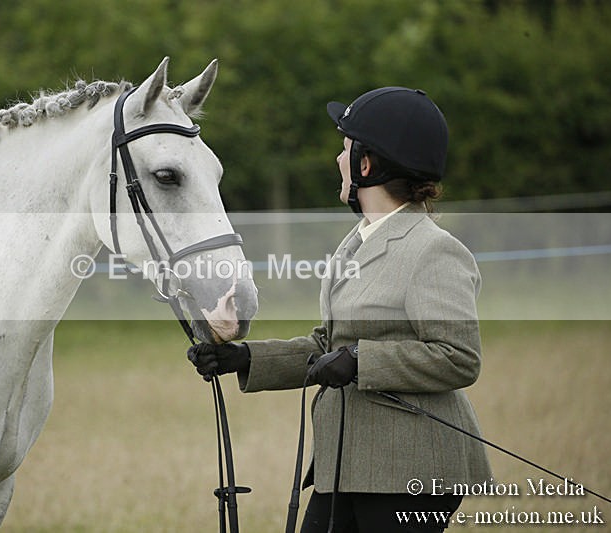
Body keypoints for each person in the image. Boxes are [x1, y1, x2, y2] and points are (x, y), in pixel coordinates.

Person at [188, 87, 492, 532]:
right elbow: (330, 345)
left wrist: (359, 361)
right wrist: (246, 358)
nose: (338, 159)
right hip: (350, 463)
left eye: (346, 149)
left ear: (367, 164)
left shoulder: (434, 251)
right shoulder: (355, 242)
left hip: (409, 468)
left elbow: (458, 356)